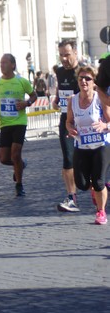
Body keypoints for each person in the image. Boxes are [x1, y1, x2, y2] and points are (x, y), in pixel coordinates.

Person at [66, 66, 110, 225]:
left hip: (101, 145)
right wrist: (70, 129)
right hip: (82, 146)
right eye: (81, 78)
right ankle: (101, 189)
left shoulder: (101, 98)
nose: (84, 81)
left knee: (98, 181)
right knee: (82, 184)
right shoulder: (73, 100)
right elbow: (68, 121)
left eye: (88, 79)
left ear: (94, 82)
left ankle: (101, 211)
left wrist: (105, 127)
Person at [0, 53, 36, 197]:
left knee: (15, 154)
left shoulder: (22, 81)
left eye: (4, 62)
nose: (2, 65)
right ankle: (20, 165)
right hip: (5, 124)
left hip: (19, 122)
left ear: (12, 65)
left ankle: (19, 185)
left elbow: (34, 95)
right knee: (4, 159)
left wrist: (26, 103)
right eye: (0, 63)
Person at [53, 39, 80, 212]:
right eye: (61, 55)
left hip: (85, 122)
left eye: (67, 55)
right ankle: (72, 198)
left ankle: (100, 189)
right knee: (68, 158)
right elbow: (59, 92)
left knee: (90, 160)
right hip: (66, 121)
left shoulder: (84, 71)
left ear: (75, 53)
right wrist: (56, 100)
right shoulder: (60, 72)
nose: (64, 59)